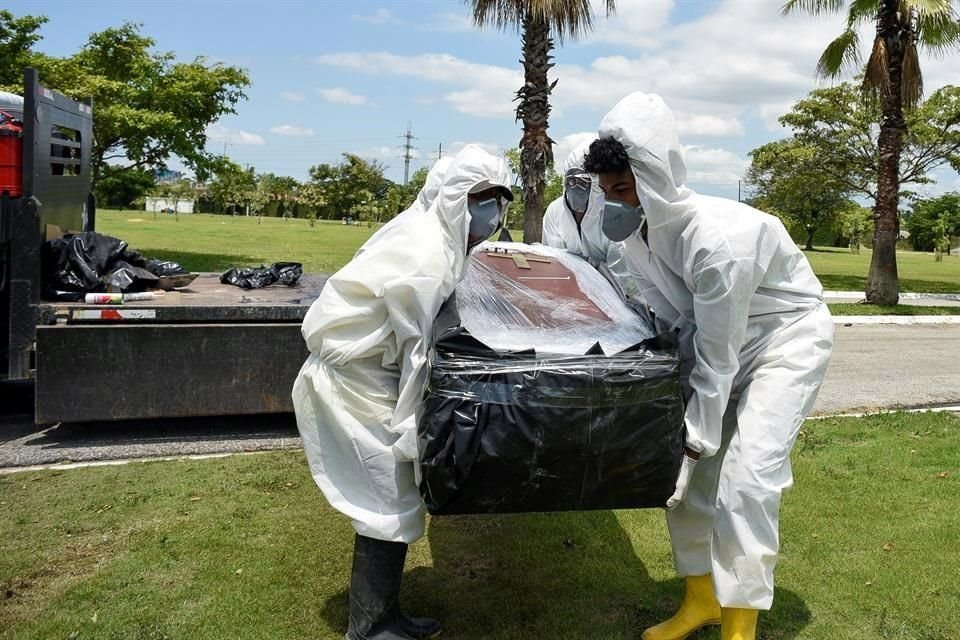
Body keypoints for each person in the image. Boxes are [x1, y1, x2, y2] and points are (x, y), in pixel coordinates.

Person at [582, 92, 834, 640]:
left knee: (746, 481)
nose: (614, 203)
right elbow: (677, 326)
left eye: (623, 189)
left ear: (654, 179)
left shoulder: (720, 241)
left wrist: (699, 429)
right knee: (688, 477)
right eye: (607, 192)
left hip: (783, 341)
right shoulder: (636, 243)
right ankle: (702, 600)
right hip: (721, 339)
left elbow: (719, 357)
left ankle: (739, 626)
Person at [292, 145, 513, 640]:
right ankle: (369, 628)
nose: (494, 212)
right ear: (456, 197)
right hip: (356, 383)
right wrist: (415, 429)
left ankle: (384, 617)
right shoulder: (427, 253)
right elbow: (417, 354)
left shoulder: (434, 233)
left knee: (389, 503)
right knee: (387, 505)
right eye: (484, 198)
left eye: (502, 199)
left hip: (367, 372)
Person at [542, 141, 641, 305]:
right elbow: (554, 263)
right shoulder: (555, 211)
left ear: (596, 184)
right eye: (571, 182)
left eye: (583, 183)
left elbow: (623, 280)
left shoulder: (612, 217)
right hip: (567, 299)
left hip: (612, 302)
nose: (576, 189)